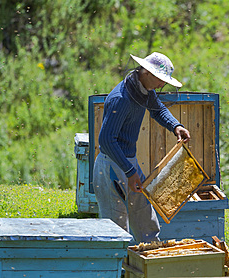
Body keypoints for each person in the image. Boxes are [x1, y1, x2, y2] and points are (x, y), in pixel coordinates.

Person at [93, 52, 190, 243]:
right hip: (111, 165)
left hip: (128, 161)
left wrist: (176, 126)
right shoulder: (121, 99)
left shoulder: (143, 90)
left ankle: (151, 260)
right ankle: (118, 270)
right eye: (160, 79)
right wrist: (130, 172)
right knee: (116, 227)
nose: (162, 84)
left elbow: (158, 109)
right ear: (146, 72)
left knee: (143, 213)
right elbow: (106, 140)